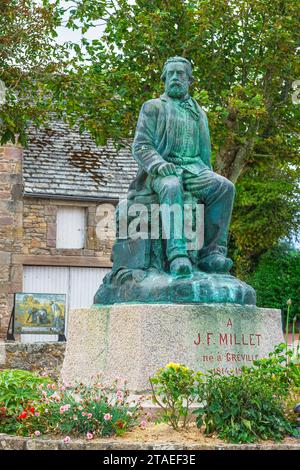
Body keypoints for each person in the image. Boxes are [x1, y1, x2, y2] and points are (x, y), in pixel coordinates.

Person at [131, 56, 235, 276]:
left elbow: (204, 152)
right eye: (171, 74)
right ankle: (178, 255)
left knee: (225, 187)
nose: (175, 78)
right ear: (164, 79)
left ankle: (212, 254)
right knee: (171, 187)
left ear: (190, 80)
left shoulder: (199, 112)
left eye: (180, 74)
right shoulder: (153, 107)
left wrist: (207, 174)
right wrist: (159, 164)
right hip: (161, 172)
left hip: (194, 170)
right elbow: (141, 146)